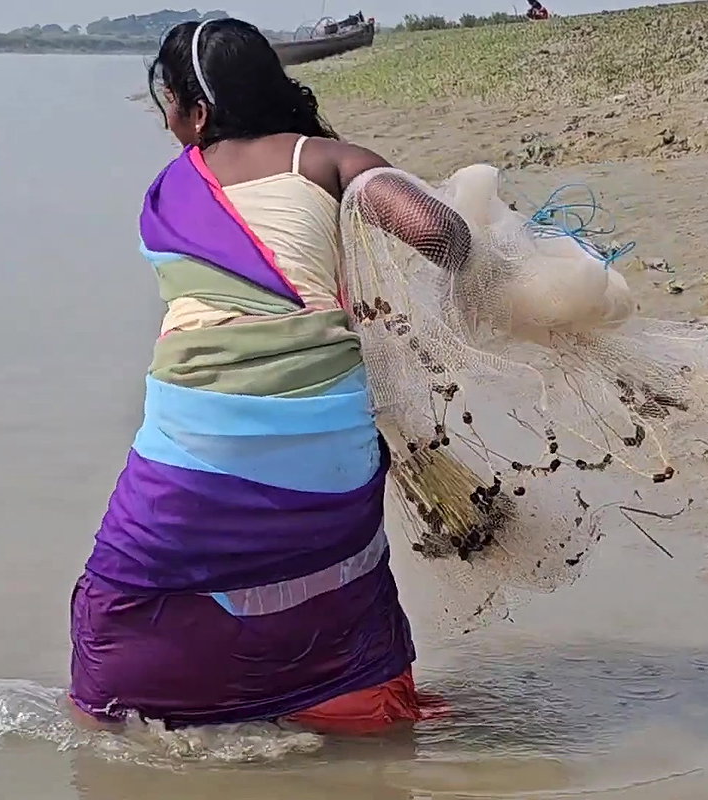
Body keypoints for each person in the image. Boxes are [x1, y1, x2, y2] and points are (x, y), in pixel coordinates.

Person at [68, 17, 468, 734]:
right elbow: (440, 234)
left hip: (198, 435)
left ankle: (134, 719)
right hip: (326, 437)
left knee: (125, 594)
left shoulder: (170, 190)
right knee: (338, 570)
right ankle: (344, 701)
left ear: (196, 112)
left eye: (169, 106)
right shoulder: (330, 161)